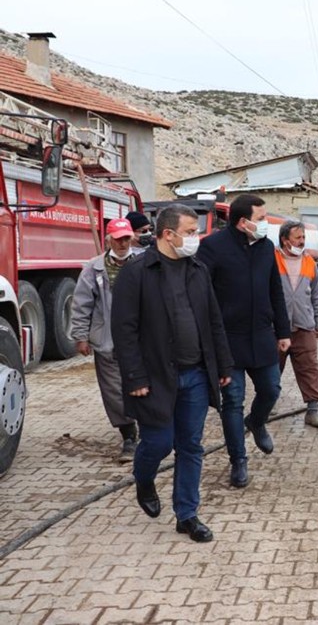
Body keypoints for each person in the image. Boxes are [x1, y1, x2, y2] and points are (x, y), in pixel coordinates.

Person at [111, 204, 233, 542]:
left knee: (190, 446)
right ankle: (145, 478)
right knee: (158, 443)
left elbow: (213, 322)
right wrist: (134, 378)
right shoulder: (136, 273)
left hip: (195, 374)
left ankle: (187, 515)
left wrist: (222, 367)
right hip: (155, 377)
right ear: (168, 234)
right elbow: (124, 331)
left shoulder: (197, 270)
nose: (196, 238)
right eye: (191, 232)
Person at [197, 194, 291, 489]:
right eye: (261, 218)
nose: (266, 223)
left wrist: (283, 331)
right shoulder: (212, 248)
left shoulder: (265, 247)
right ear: (242, 222)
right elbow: (202, 295)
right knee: (232, 402)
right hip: (228, 340)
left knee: (271, 388)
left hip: (262, 336)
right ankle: (238, 460)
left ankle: (258, 421)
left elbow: (275, 290)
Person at [69, 218, 139, 462]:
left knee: (144, 383)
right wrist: (80, 336)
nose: (122, 243)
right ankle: (128, 434)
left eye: (126, 238)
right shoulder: (93, 268)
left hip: (141, 339)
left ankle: (152, 427)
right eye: (118, 239)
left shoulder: (144, 262)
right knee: (113, 390)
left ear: (132, 238)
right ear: (108, 240)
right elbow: (81, 303)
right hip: (107, 338)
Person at [275, 220, 318, 429]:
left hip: (304, 325)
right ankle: (266, 405)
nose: (302, 241)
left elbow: (317, 296)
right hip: (276, 327)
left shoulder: (310, 263)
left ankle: (312, 411)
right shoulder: (271, 261)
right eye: (298, 238)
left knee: (309, 368)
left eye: (303, 238)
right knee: (271, 368)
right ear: (285, 240)